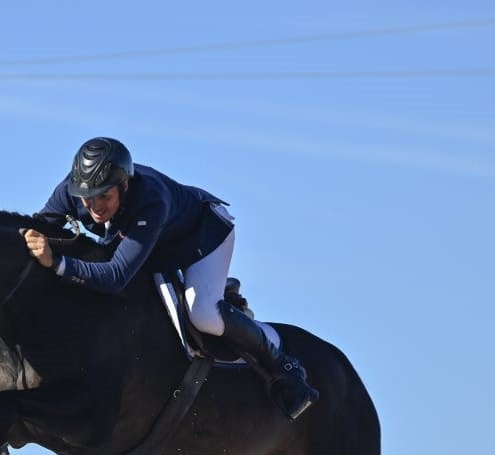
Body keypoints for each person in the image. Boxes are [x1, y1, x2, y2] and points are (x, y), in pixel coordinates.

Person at [22, 136, 318, 420]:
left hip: (202, 239)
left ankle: (282, 362)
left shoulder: (150, 200)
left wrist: (58, 263)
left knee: (202, 313)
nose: (94, 206)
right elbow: (39, 226)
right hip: (156, 247)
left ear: (124, 184)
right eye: (86, 199)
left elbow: (115, 276)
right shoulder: (73, 191)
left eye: (104, 197)